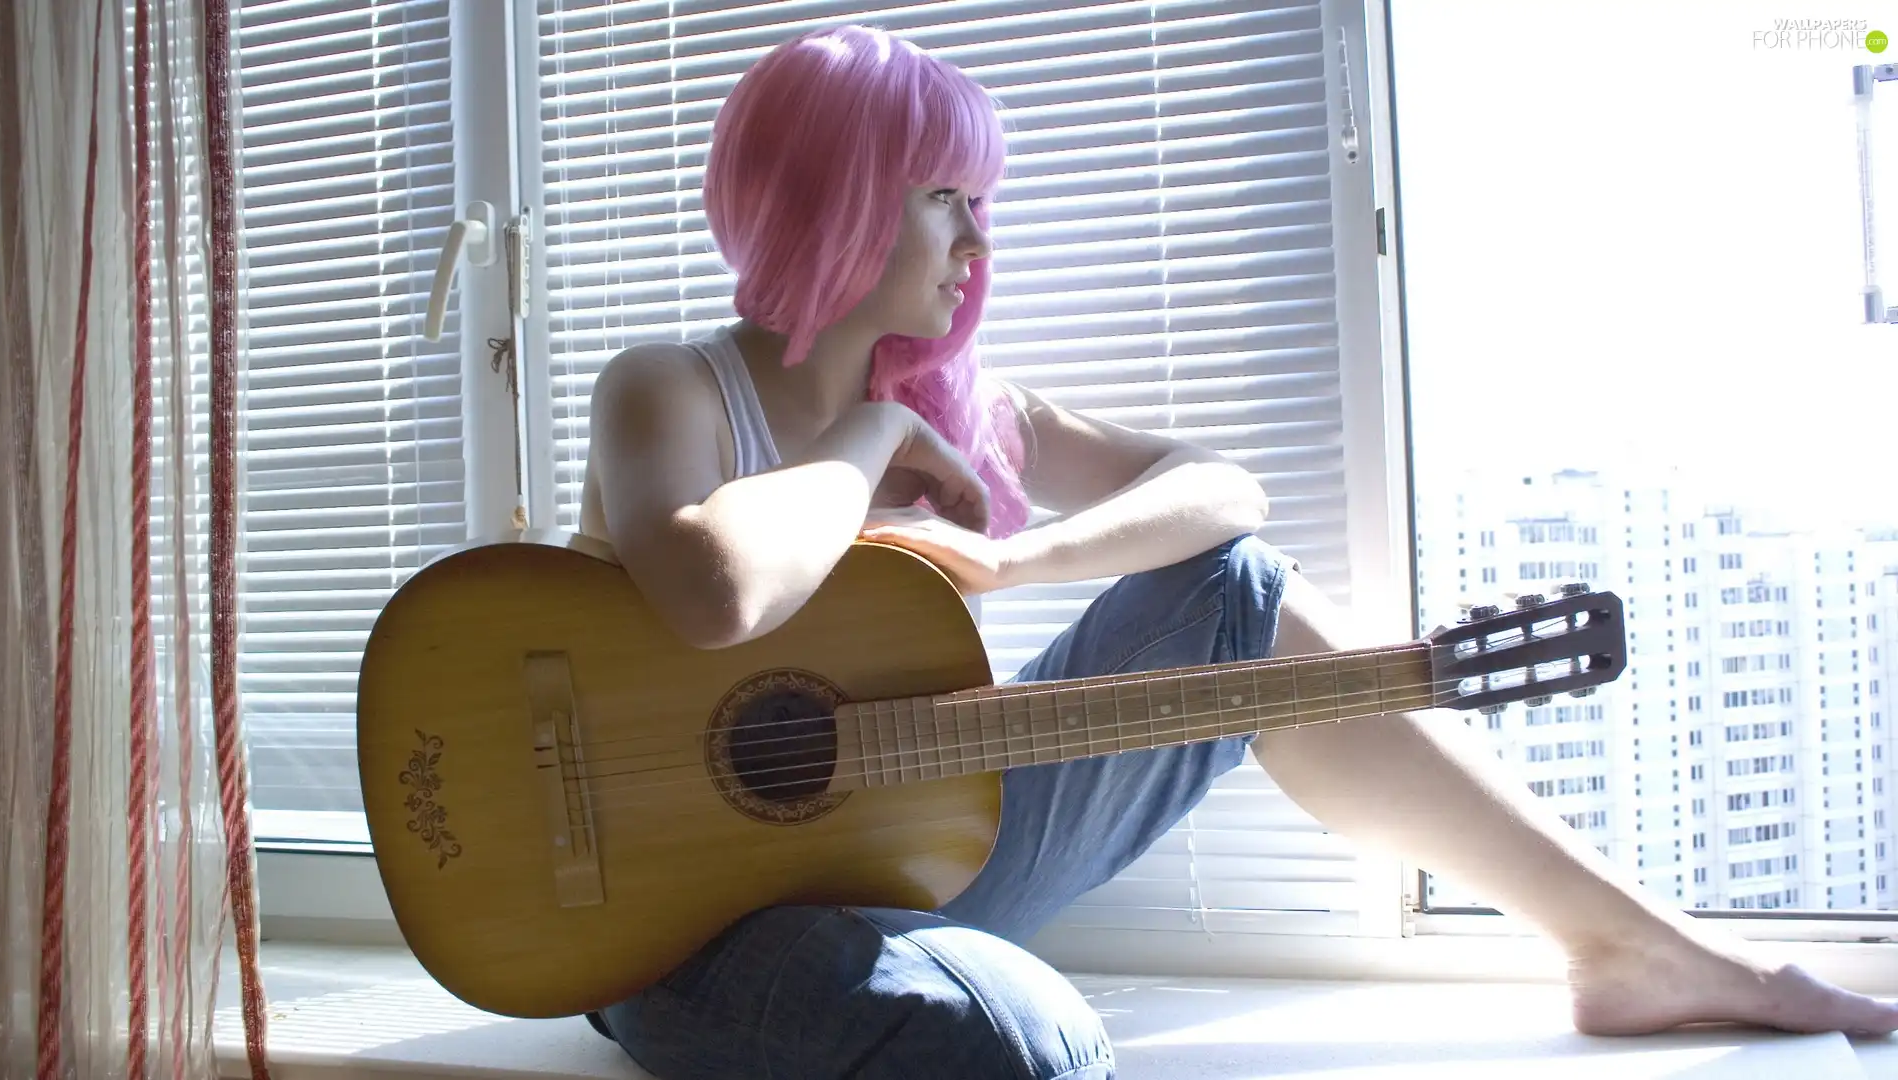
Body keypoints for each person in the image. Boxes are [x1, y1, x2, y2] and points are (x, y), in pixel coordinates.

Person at [573, 23, 1898, 1080]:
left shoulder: (970, 412)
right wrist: (869, 432)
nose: (979, 242)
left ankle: (1628, 947)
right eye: (945, 198)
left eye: (980, 203)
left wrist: (1027, 563)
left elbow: (1222, 490)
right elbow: (715, 588)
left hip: (905, 865)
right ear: (843, 195)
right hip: (682, 937)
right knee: (1018, 1043)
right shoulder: (671, 390)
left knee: (1235, 592)